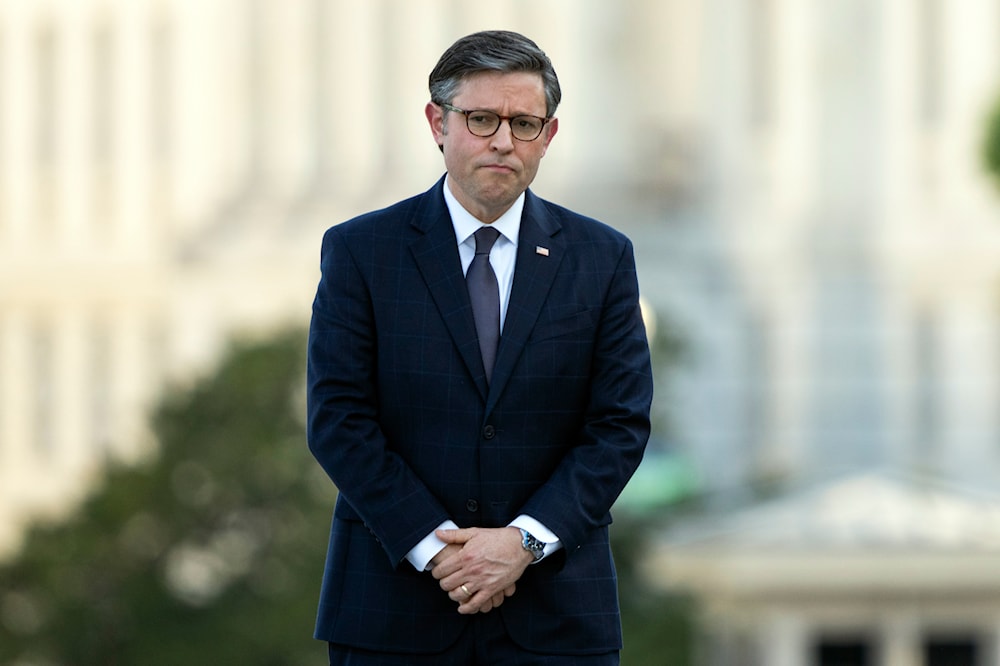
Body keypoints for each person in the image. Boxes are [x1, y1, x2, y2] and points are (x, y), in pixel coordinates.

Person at [307, 30, 653, 665]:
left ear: (548, 136)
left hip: (556, 618)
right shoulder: (363, 252)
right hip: (392, 613)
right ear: (438, 123)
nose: (503, 140)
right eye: (482, 118)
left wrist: (520, 544)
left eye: (524, 123)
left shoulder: (602, 259)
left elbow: (618, 427)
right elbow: (339, 421)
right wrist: (441, 552)